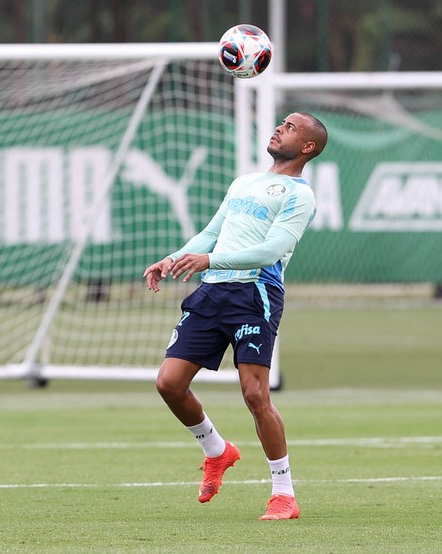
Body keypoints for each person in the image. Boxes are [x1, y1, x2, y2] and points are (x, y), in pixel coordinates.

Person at [143, 112, 327, 521]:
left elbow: (269, 251)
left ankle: (284, 494)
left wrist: (209, 259)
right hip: (212, 292)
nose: (280, 128)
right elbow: (211, 232)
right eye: (282, 123)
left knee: (255, 394)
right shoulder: (244, 182)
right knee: (169, 383)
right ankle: (217, 451)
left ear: (308, 147)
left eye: (291, 127)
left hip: (255, 292)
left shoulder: (300, 195)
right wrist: (173, 258)